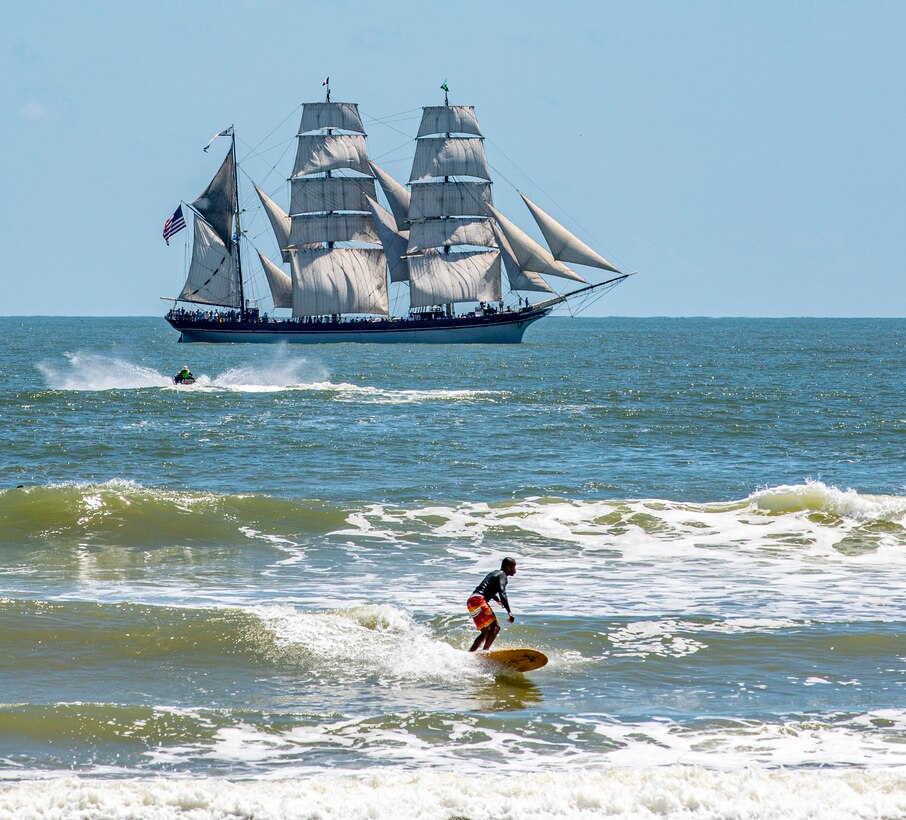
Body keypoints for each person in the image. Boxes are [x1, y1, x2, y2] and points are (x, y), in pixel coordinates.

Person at [467, 557, 517, 652]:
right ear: (508, 567)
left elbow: (488, 588)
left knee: (485, 632)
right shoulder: (503, 575)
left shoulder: (494, 573)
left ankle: (470, 654)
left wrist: (497, 600)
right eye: (514, 567)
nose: (515, 570)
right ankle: (485, 651)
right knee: (495, 627)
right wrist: (509, 612)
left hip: (471, 601)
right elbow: (502, 592)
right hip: (479, 600)